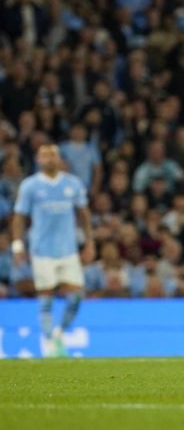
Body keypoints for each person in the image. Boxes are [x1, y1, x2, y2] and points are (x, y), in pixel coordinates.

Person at [11, 144, 95, 357]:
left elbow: (83, 214)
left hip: (68, 250)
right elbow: (19, 217)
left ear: (59, 158)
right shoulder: (30, 186)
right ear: (38, 160)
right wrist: (18, 245)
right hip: (42, 251)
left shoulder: (72, 184)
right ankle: (49, 343)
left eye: (53, 155)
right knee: (46, 298)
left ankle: (58, 332)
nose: (49, 159)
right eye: (44, 155)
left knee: (76, 296)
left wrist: (89, 242)